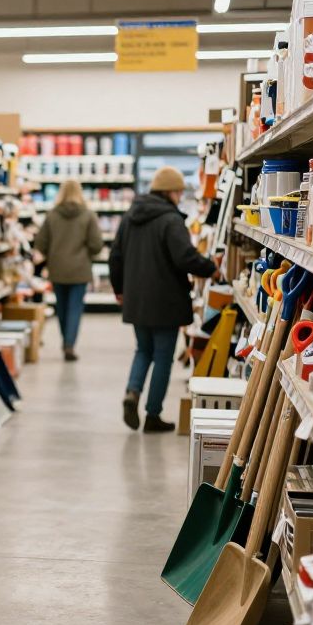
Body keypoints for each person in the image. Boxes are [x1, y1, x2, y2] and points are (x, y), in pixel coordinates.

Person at [109, 166, 217, 433]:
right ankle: (153, 415)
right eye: (179, 191)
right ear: (170, 191)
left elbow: (115, 256)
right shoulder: (171, 220)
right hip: (166, 300)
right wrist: (210, 267)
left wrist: (119, 289)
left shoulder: (130, 217)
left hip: (137, 299)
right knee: (163, 357)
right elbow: (185, 258)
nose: (181, 196)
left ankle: (132, 393)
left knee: (143, 350)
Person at [34, 179, 103, 361]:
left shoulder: (52, 215)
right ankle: (69, 345)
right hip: (80, 269)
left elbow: (41, 243)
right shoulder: (88, 215)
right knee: (75, 308)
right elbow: (96, 245)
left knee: (62, 308)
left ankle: (66, 340)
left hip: (57, 268)